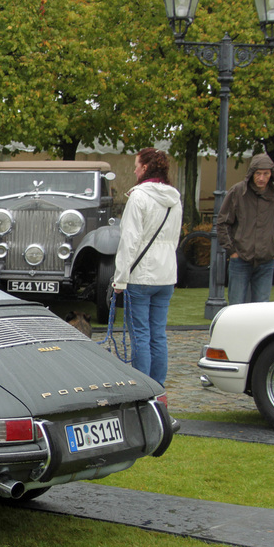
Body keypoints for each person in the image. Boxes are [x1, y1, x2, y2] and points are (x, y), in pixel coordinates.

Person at [112, 148, 183, 385]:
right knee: (158, 335)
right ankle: (158, 386)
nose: (134, 170)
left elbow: (129, 240)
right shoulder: (175, 199)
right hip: (166, 274)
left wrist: (120, 279)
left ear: (145, 168)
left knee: (141, 335)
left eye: (136, 165)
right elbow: (174, 238)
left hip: (141, 275)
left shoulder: (138, 197)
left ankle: (144, 387)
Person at [215, 153, 274, 305]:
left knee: (261, 308)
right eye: (258, 173)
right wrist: (233, 251)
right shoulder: (237, 191)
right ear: (251, 173)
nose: (261, 178)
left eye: (266, 174)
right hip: (240, 259)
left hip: (266, 260)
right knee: (236, 307)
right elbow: (223, 222)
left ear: (271, 174)